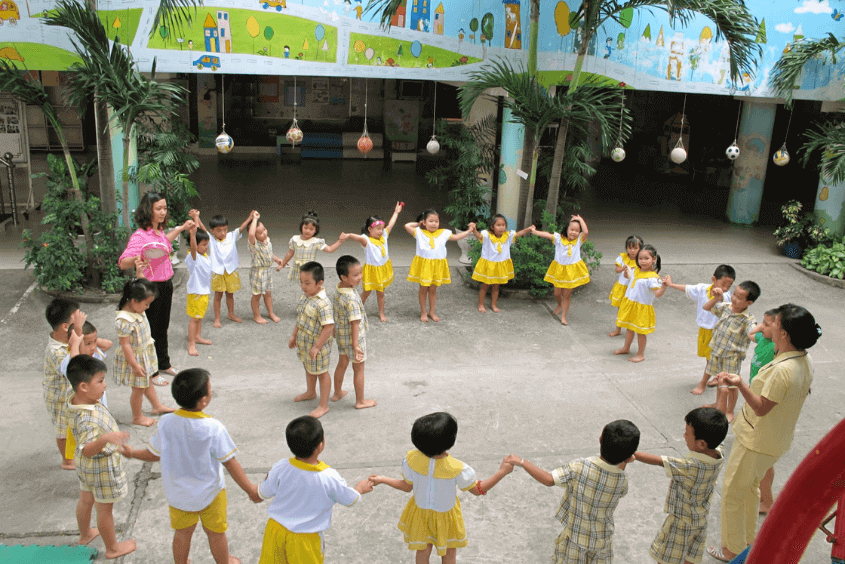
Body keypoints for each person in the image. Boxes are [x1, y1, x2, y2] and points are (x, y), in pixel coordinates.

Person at [709, 304, 821, 562]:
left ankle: (732, 550)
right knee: (749, 489)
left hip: (756, 440)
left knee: (733, 492)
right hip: (776, 439)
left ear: (784, 335)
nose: (766, 326)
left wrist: (739, 384)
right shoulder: (803, 359)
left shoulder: (782, 370)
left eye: (773, 324)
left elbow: (760, 408)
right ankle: (749, 542)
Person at [122, 369, 262, 564]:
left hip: (179, 496)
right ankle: (224, 562)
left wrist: (132, 453)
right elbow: (230, 462)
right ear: (203, 401)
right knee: (216, 534)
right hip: (211, 494)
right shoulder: (214, 428)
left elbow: (153, 454)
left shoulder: (166, 423)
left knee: (182, 534)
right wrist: (251, 490)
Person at [370, 412, 513, 563]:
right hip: (447, 518)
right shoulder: (458, 468)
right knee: (449, 553)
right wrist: (502, 472)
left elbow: (406, 487)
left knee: (422, 552)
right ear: (451, 441)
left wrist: (382, 479)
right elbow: (478, 490)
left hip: (420, 515)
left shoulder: (411, 460)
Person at [504, 420, 640, 564]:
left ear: (600, 439)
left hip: (576, 538)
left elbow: (549, 480)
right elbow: (617, 477)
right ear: (630, 456)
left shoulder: (580, 467)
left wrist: (522, 462)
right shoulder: (622, 480)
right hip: (602, 540)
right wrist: (624, 460)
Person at [256, 415, 374, 564]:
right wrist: (359, 489)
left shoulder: (281, 467)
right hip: (306, 538)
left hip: (275, 532)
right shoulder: (328, 476)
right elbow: (350, 499)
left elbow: (264, 492)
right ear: (320, 444)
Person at [634, 408, 728, 564]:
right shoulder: (719, 452)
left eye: (687, 433)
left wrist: (632, 453)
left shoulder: (691, 466)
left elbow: (660, 461)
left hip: (681, 522)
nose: (684, 436)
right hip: (700, 519)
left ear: (702, 443)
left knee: (666, 558)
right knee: (691, 556)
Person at [119, 192, 195, 381]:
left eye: (164, 208)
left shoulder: (159, 231)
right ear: (148, 210)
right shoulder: (140, 236)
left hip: (166, 285)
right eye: (158, 209)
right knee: (150, 331)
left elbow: (164, 243)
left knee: (162, 327)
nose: (163, 212)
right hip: (150, 288)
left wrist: (182, 228)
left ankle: (164, 363)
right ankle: (151, 372)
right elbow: (122, 263)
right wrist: (136, 259)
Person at [66, 355, 136, 558]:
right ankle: (113, 548)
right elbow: (88, 448)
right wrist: (106, 438)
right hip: (100, 466)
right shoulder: (87, 418)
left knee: (86, 499)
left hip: (84, 466)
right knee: (104, 510)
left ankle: (85, 534)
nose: (105, 385)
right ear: (83, 387)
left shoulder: (74, 399)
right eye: (100, 381)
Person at [663, 265, 736, 394]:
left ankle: (702, 384)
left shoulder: (727, 296)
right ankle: (719, 376)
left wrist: (719, 295)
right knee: (712, 358)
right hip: (704, 330)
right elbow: (687, 288)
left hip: (718, 332)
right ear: (714, 279)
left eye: (728, 286)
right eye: (723, 284)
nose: (725, 288)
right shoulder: (702, 288)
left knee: (711, 359)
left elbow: (722, 298)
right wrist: (671, 284)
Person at [114, 278, 175, 426]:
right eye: (146, 304)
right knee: (138, 389)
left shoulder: (135, 307)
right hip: (134, 358)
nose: (148, 307)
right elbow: (125, 345)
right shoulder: (124, 320)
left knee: (147, 382)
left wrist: (140, 273)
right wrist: (134, 365)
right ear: (134, 301)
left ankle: (156, 406)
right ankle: (137, 417)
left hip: (143, 355)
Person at [700, 281, 760, 422]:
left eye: (739, 297)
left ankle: (730, 410)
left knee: (732, 386)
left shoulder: (748, 320)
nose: (734, 298)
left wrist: (762, 330)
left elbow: (753, 335)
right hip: (717, 353)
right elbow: (706, 307)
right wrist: (716, 298)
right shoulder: (726, 307)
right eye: (734, 294)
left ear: (749, 302)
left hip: (731, 358)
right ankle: (717, 403)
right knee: (720, 380)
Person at [405, 209, 476, 322]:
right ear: (424, 222)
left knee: (433, 290)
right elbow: (407, 225)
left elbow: (457, 237)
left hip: (437, 266)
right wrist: (419, 223)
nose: (434, 224)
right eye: (431, 221)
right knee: (423, 289)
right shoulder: (419, 233)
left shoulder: (444, 233)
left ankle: (432, 311)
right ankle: (423, 311)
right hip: (425, 266)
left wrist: (469, 231)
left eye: (436, 221)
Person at [188, 209, 255, 328]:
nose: (223, 233)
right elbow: (202, 229)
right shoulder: (211, 240)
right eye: (219, 230)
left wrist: (250, 218)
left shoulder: (231, 236)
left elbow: (241, 228)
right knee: (218, 296)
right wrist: (196, 217)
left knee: (230, 294)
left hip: (231, 271)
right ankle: (217, 318)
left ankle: (231, 314)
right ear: (212, 231)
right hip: (217, 272)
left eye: (225, 229)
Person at [340, 202, 404, 322]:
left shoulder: (384, 235)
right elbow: (358, 237)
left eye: (381, 228)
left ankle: (381, 312)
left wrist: (396, 212)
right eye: (378, 229)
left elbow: (391, 224)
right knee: (366, 292)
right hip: (372, 271)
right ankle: (357, 310)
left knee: (381, 293)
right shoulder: (366, 241)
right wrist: (348, 235)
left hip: (382, 269)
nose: (381, 231)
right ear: (370, 229)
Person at [61, 318, 113, 459]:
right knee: (89, 444)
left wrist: (91, 340)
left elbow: (109, 343)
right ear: (74, 344)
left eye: (95, 342)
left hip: (99, 408)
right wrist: (77, 339)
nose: (92, 347)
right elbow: (77, 363)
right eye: (88, 343)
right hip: (86, 414)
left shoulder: (94, 355)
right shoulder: (69, 362)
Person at [288, 261, 335, 419]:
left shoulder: (323, 304)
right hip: (305, 343)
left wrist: (316, 347)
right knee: (308, 367)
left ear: (320, 282)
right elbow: (300, 318)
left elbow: (328, 328)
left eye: (307, 283)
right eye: (301, 282)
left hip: (318, 347)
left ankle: (324, 405)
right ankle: (310, 391)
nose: (303, 286)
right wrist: (294, 335)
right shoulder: (305, 297)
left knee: (322, 373)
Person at [743, 309, 778, 514]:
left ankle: (767, 501)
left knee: (762, 459)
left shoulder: (776, 348)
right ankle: (763, 494)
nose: (761, 327)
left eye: (767, 324)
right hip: (756, 397)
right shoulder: (763, 339)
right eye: (762, 323)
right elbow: (749, 333)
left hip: (764, 403)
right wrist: (764, 327)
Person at [331, 255, 376, 409]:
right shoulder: (351, 299)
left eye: (360, 273)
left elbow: (336, 312)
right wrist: (356, 345)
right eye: (355, 275)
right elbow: (355, 323)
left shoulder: (339, 289)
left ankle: (337, 393)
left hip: (342, 336)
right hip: (354, 339)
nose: (360, 277)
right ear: (344, 277)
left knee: (342, 364)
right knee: (359, 369)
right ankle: (360, 401)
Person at [43, 298, 81, 469]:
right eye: (76, 318)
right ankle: (67, 460)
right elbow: (72, 369)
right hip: (58, 396)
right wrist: (75, 346)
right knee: (63, 428)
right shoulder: (55, 351)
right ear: (66, 326)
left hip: (67, 392)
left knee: (71, 424)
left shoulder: (67, 340)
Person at [614, 244, 668, 362]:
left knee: (640, 332)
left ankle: (640, 354)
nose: (643, 261)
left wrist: (664, 286)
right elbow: (630, 279)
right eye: (640, 258)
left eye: (646, 258)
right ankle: (626, 348)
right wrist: (626, 274)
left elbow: (658, 294)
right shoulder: (636, 270)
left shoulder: (653, 278)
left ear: (654, 259)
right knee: (629, 327)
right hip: (630, 304)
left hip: (641, 308)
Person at [469, 214, 533, 313]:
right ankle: (481, 304)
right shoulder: (486, 235)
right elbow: (478, 236)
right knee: (485, 285)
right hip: (489, 265)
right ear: (492, 226)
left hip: (500, 265)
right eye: (498, 225)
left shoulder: (508, 236)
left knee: (496, 286)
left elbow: (518, 234)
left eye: (503, 225)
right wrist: (473, 230)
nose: (501, 227)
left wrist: (528, 229)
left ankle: (493, 304)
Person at [533, 215, 590, 325]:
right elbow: (547, 235)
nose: (574, 232)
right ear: (566, 229)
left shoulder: (579, 241)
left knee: (567, 295)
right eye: (572, 229)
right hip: (559, 270)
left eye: (577, 231)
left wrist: (581, 219)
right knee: (557, 293)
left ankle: (564, 316)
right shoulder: (559, 238)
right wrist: (535, 232)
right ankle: (559, 304)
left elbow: (586, 232)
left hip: (571, 272)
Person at [279, 211, 343, 282]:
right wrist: (283, 264)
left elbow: (330, 249)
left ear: (315, 230)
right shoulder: (295, 239)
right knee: (298, 285)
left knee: (309, 285)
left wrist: (340, 241)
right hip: (297, 268)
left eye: (311, 229)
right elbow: (290, 253)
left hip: (309, 268)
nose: (308, 231)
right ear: (301, 227)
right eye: (305, 228)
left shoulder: (316, 242)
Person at [247, 212, 284, 324]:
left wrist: (277, 259)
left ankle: (270, 312)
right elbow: (251, 235)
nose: (264, 233)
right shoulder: (254, 244)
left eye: (264, 230)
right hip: (258, 272)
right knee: (257, 295)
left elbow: (269, 254)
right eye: (260, 232)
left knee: (268, 293)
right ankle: (256, 315)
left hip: (267, 272)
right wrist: (254, 219)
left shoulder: (267, 241)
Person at [185, 225, 213, 357]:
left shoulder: (205, 255)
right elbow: (193, 247)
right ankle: (191, 343)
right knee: (194, 319)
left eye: (206, 244)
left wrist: (196, 219)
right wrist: (192, 235)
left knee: (199, 317)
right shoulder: (193, 258)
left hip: (204, 292)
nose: (206, 247)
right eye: (203, 244)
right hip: (196, 293)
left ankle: (197, 336)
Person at [608, 235, 643, 337]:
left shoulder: (641, 260)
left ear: (640, 248)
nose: (632, 251)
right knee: (620, 308)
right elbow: (616, 270)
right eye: (630, 248)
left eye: (635, 248)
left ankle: (632, 328)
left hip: (633, 288)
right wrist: (623, 268)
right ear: (626, 248)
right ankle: (618, 329)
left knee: (633, 309)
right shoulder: (622, 257)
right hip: (622, 286)